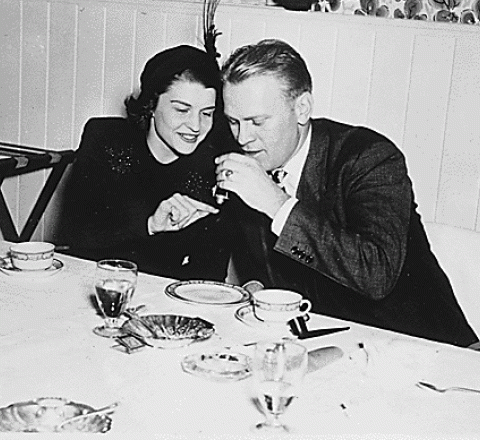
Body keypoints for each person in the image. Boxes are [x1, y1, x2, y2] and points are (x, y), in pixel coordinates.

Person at [215, 38, 478, 347]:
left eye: (257, 121)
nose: (243, 137)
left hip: (422, 350)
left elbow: (376, 275)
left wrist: (276, 204)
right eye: (233, 121)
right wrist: (255, 286)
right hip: (325, 346)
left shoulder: (369, 157)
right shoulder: (255, 162)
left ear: (302, 108)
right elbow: (264, 265)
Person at [57, 44, 235, 280]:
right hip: (95, 285)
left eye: (207, 113)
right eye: (182, 110)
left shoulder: (215, 163)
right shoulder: (106, 139)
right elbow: (76, 234)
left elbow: (209, 274)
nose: (195, 126)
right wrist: (149, 224)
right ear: (151, 104)